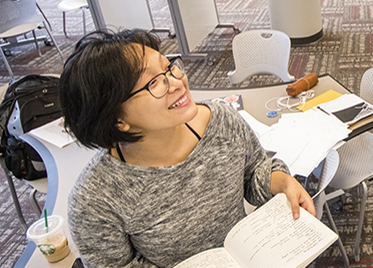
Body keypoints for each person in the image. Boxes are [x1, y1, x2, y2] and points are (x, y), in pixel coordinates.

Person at [60, 29, 315, 267]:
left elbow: (254, 172)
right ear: (117, 119)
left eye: (169, 67)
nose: (177, 82)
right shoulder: (95, 201)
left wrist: (281, 182)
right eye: (154, 83)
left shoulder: (221, 122)